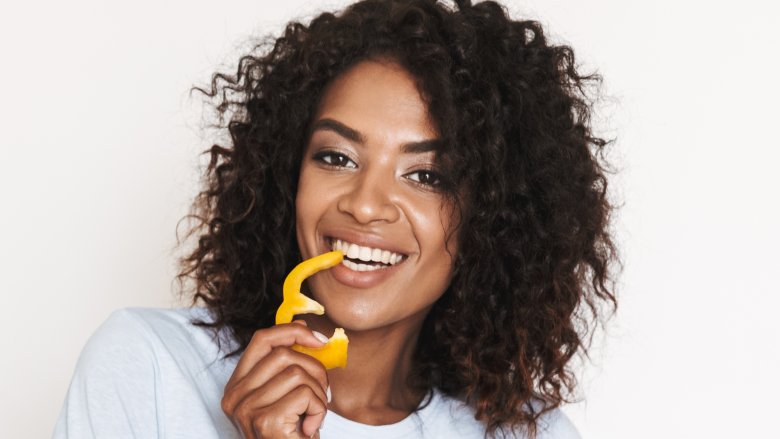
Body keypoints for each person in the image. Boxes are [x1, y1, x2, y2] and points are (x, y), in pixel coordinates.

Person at [53, 0, 618, 438]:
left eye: (427, 175)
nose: (366, 204)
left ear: (493, 218)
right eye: (336, 157)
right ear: (287, 176)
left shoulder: (527, 432)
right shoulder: (149, 366)